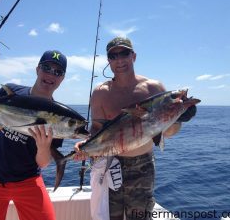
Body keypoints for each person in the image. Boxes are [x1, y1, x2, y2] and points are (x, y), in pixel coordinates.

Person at [75, 37, 196, 220]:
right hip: (109, 164)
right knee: (110, 216)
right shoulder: (100, 93)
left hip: (142, 166)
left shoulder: (154, 88)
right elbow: (97, 129)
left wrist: (178, 118)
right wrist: (86, 145)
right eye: (113, 56)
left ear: (134, 56)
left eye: (124, 53)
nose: (119, 60)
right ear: (108, 61)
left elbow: (169, 133)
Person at [0, 50, 67, 220]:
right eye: (47, 68)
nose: (51, 75)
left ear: (62, 78)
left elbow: (43, 162)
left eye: (58, 72)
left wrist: (43, 146)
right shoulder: (10, 91)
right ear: (37, 69)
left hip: (28, 180)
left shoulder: (59, 117)